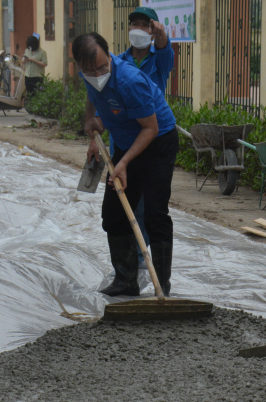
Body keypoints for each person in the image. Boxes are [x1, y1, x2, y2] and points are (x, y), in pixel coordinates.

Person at [77, 32, 179, 297]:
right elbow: (92, 93)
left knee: (155, 213)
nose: (97, 74)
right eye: (90, 71)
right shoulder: (89, 74)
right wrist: (90, 118)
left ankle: (162, 286)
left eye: (102, 67)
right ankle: (125, 281)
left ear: (109, 56)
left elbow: (150, 128)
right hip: (126, 142)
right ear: (81, 66)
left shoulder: (130, 81)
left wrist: (123, 163)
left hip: (157, 141)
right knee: (113, 213)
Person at [91, 6, 173, 269]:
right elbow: (100, 96)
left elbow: (164, 48)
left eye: (145, 25)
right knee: (123, 202)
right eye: (134, 24)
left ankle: (143, 260)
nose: (138, 29)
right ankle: (128, 270)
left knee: (150, 207)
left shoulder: (158, 59)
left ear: (152, 30)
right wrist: (95, 131)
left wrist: (160, 35)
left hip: (151, 133)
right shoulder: (113, 62)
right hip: (124, 140)